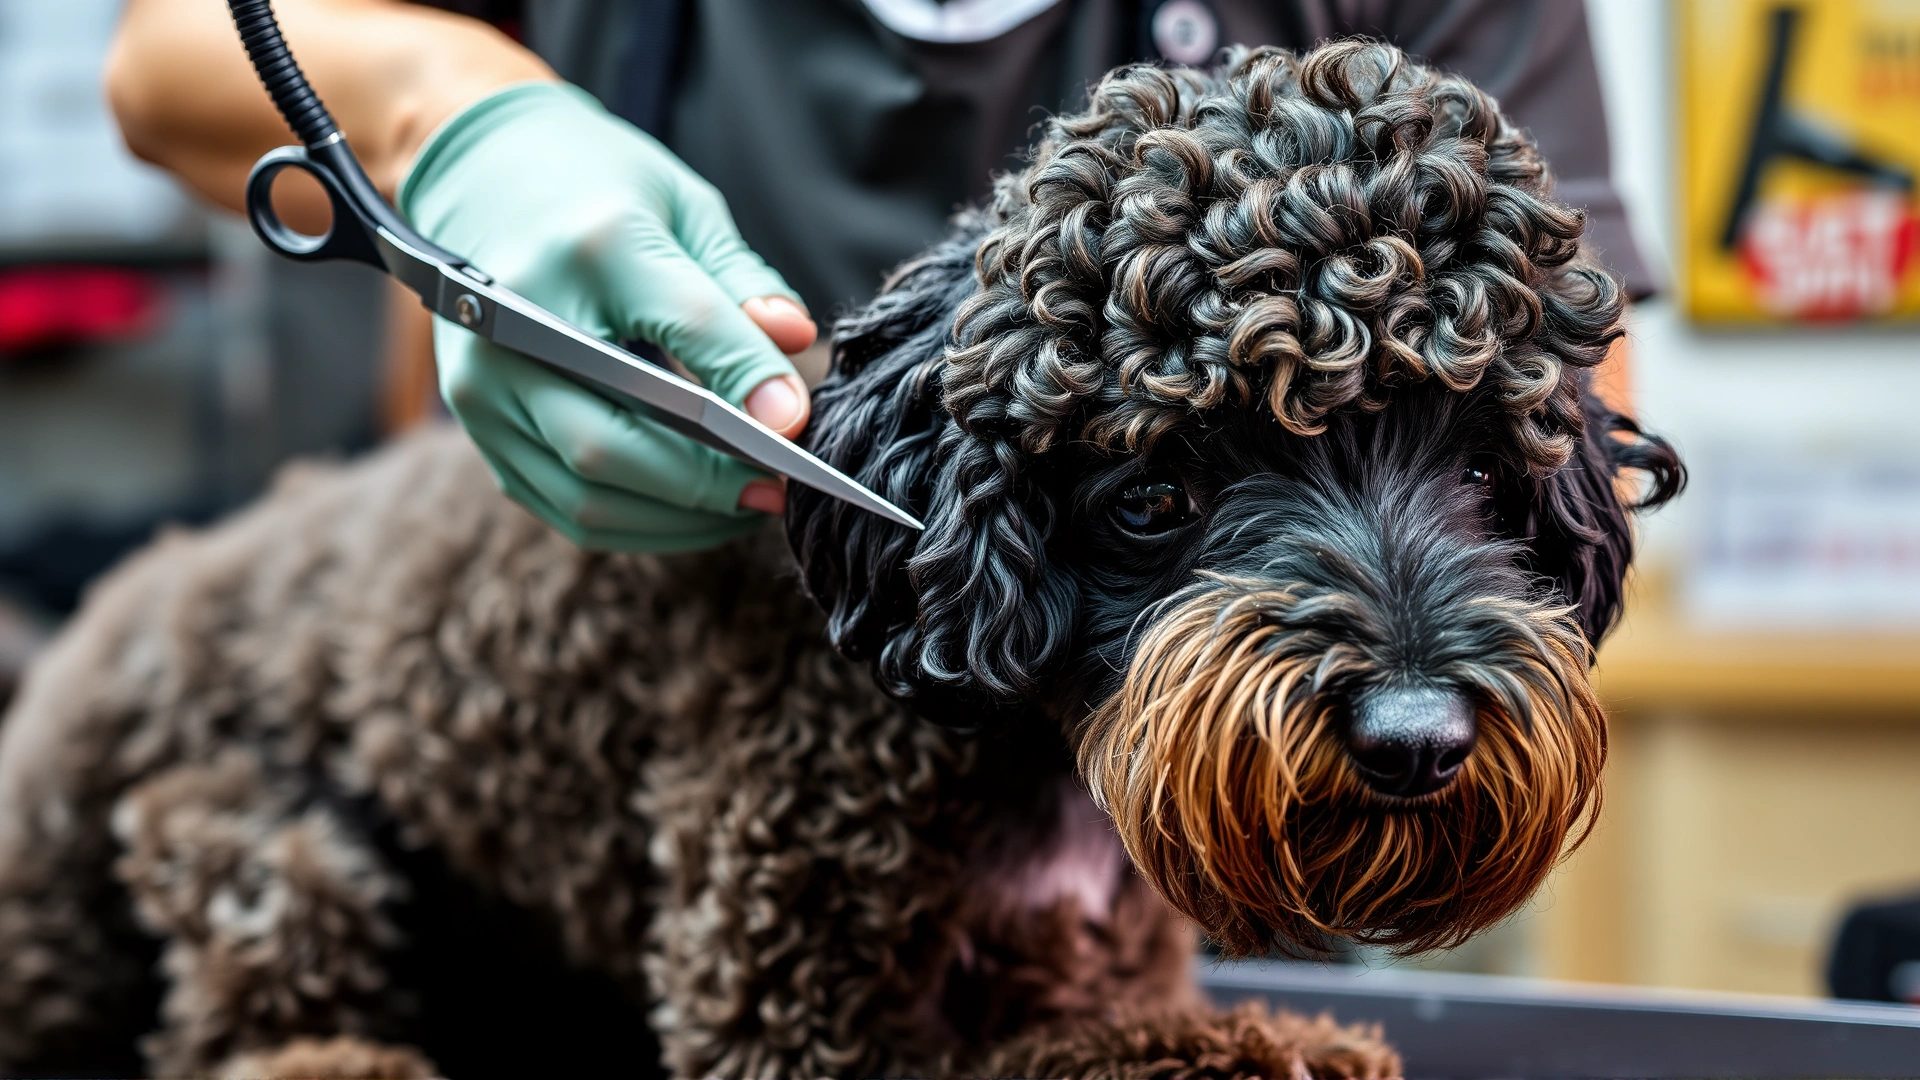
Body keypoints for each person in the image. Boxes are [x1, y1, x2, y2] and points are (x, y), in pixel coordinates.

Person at [106, 0, 1648, 553]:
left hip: (1224, 854)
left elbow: (1558, 414)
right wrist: (453, 120)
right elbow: (165, 56)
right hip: (653, 744)